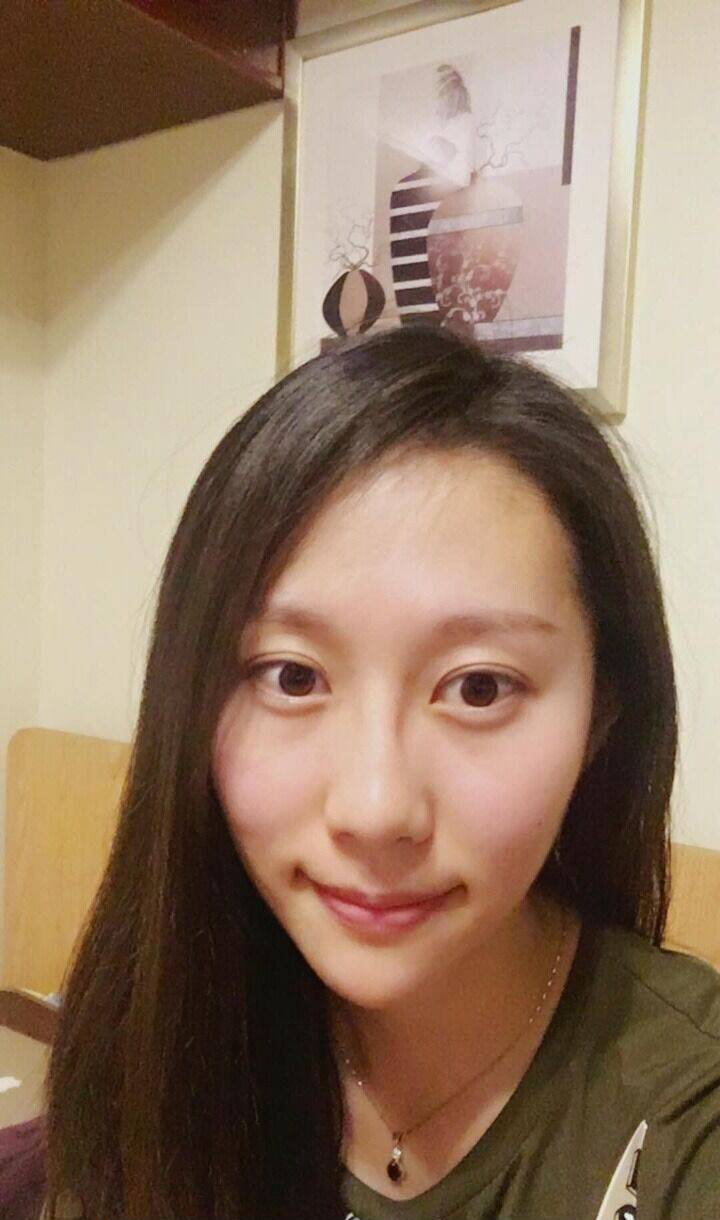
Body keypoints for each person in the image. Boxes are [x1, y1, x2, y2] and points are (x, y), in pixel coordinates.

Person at [1, 324, 719, 1220]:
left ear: (601, 713)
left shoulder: (686, 1119)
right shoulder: (164, 1021)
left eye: (480, 687)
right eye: (292, 677)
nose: (376, 810)